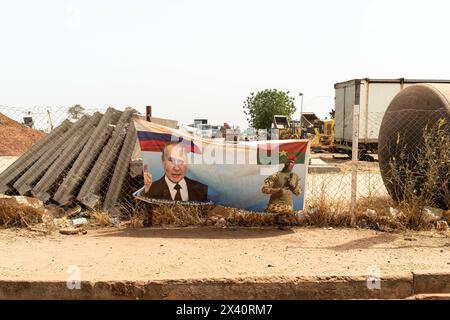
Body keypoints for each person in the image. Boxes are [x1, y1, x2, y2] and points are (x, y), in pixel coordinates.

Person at [141, 141, 208, 202]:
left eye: (181, 161)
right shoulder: (149, 190)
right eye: (171, 160)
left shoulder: (202, 189)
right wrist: (146, 193)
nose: (176, 168)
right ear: (163, 160)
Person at [261, 157, 301, 227]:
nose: (290, 164)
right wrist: (277, 190)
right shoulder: (276, 175)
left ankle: (283, 220)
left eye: (292, 162)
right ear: (284, 163)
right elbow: (264, 189)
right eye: (288, 162)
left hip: (288, 207)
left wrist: (292, 187)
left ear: (294, 164)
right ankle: (280, 219)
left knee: (293, 221)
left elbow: (298, 193)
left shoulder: (295, 177)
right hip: (275, 207)